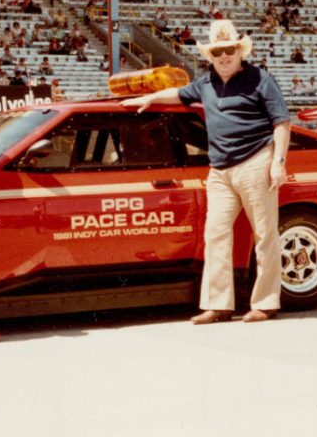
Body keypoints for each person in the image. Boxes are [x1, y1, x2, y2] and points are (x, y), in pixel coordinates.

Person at [121, 19, 289, 324]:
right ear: (209, 56)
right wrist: (150, 98)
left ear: (239, 50)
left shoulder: (261, 78)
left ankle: (265, 303)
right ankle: (218, 305)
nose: (223, 56)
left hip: (256, 162)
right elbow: (180, 94)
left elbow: (281, 123)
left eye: (228, 50)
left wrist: (278, 162)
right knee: (216, 235)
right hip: (220, 170)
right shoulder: (206, 82)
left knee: (265, 235)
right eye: (217, 52)